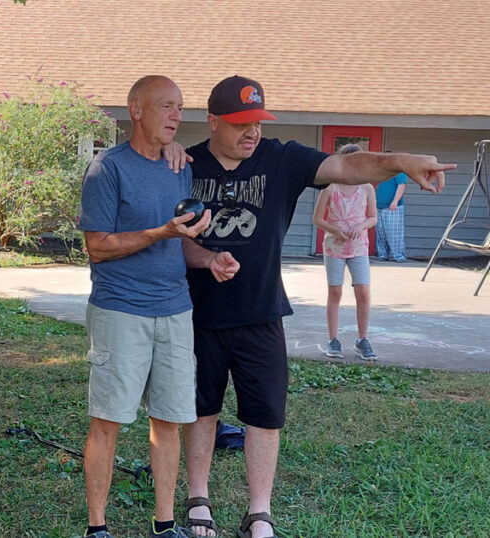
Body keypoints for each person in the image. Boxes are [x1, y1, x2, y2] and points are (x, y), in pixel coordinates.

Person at [179, 75, 452, 538]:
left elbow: (348, 168)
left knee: (264, 415)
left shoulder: (280, 159)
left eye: (258, 122)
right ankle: (198, 499)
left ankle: (258, 513)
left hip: (262, 313)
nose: (252, 132)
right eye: (241, 123)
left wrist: (399, 162)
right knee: (201, 410)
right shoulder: (185, 164)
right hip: (196, 314)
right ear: (212, 122)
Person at [78, 75, 236, 538]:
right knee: (108, 420)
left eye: (180, 107)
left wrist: (209, 259)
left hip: (175, 310)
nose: (176, 116)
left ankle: (165, 525)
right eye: (166, 106)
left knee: (169, 419)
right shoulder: (107, 169)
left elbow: (181, 243)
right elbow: (98, 246)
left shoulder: (179, 167)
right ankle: (97, 528)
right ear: (136, 109)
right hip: (120, 310)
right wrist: (159, 233)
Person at [312, 144, 378, 360]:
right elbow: (318, 219)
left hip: (358, 247)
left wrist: (360, 226)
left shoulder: (367, 188)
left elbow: (372, 217)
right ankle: (333, 339)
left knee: (363, 291)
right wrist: (335, 229)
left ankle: (362, 339)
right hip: (334, 247)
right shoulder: (330, 188)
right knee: (335, 291)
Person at [375, 169, 408, 262]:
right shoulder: (382, 173)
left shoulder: (399, 172)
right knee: (380, 233)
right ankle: (382, 254)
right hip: (379, 206)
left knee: (394, 232)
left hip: (392, 207)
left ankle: (398, 256)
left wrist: (395, 201)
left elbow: (402, 185)